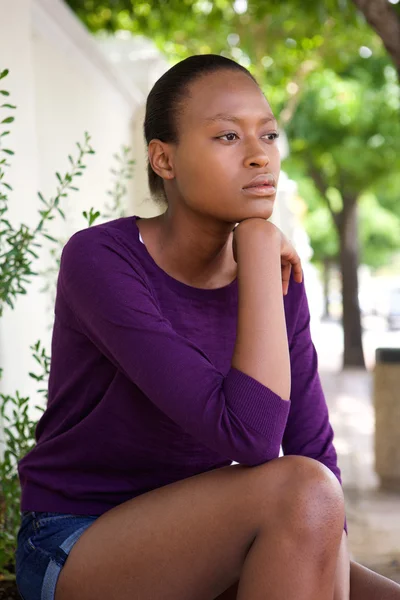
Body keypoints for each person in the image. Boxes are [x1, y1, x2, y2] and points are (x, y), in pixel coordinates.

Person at [15, 54, 400, 600]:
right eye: (226, 136)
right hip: (78, 540)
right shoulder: (102, 259)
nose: (258, 155)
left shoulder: (277, 280)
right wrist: (262, 247)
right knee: (303, 491)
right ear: (163, 160)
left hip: (217, 535)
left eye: (268, 135)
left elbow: (314, 451)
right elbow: (253, 436)